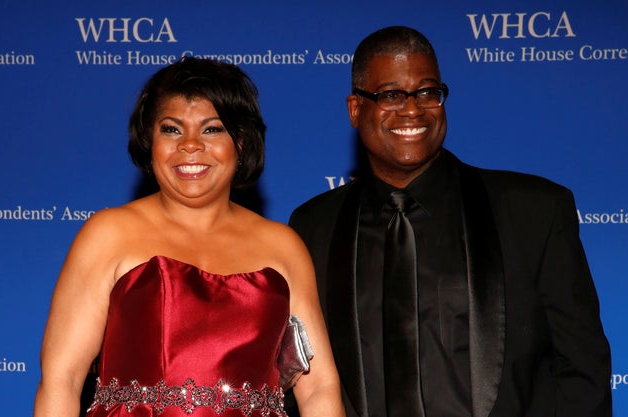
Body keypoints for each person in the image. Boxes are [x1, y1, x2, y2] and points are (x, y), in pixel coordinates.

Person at [288, 26, 612, 417]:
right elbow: (304, 380)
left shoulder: (535, 213)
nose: (412, 109)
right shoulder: (313, 227)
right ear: (356, 109)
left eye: (427, 92)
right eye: (391, 95)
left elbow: (582, 373)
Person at [34, 57, 345, 417]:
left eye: (211, 129)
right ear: (149, 141)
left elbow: (319, 387)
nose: (190, 145)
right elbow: (62, 379)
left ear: (240, 142)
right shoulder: (108, 234)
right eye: (172, 129)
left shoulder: (283, 247)